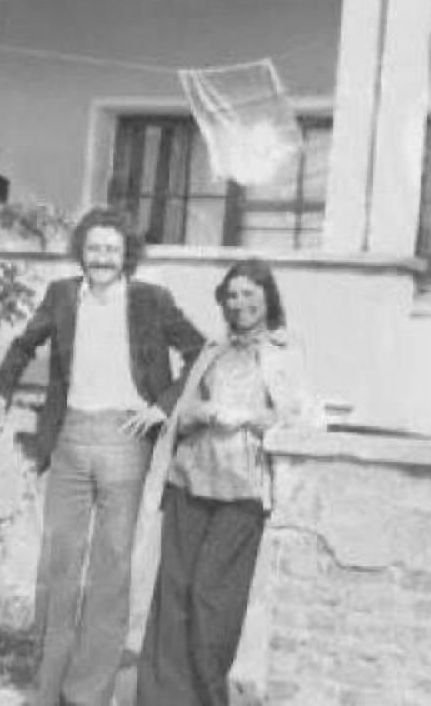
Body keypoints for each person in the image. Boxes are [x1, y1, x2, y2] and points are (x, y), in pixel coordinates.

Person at [0, 207, 205, 706]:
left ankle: (87, 693)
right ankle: (48, 688)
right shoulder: (61, 295)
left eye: (112, 249)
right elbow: (23, 346)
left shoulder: (151, 300)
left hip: (126, 439)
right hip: (71, 436)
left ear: (127, 255)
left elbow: (199, 351)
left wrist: (164, 406)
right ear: (81, 251)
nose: (102, 257)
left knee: (111, 566)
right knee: (58, 562)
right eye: (94, 248)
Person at [135, 259, 322, 706]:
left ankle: (205, 699)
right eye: (232, 296)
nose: (240, 303)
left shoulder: (286, 351)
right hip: (189, 481)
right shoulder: (213, 350)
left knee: (213, 599)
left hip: (244, 490)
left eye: (249, 294)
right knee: (175, 590)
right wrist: (203, 412)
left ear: (268, 297)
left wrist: (255, 418)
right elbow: (182, 414)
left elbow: (303, 420)